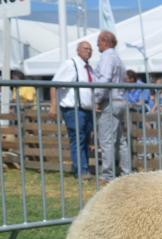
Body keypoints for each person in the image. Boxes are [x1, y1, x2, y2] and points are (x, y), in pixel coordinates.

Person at [49, 41, 95, 179]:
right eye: (85, 48)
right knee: (78, 139)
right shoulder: (71, 64)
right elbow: (54, 84)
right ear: (78, 50)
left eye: (90, 49)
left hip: (86, 109)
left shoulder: (89, 68)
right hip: (73, 109)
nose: (88, 51)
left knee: (85, 140)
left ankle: (83, 168)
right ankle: (81, 171)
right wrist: (53, 106)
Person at [93, 31, 131, 181]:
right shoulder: (117, 58)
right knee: (120, 139)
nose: (97, 44)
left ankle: (107, 175)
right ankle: (126, 172)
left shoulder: (107, 57)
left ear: (104, 41)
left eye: (98, 41)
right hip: (120, 99)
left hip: (109, 101)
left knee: (106, 139)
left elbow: (105, 78)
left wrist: (97, 98)